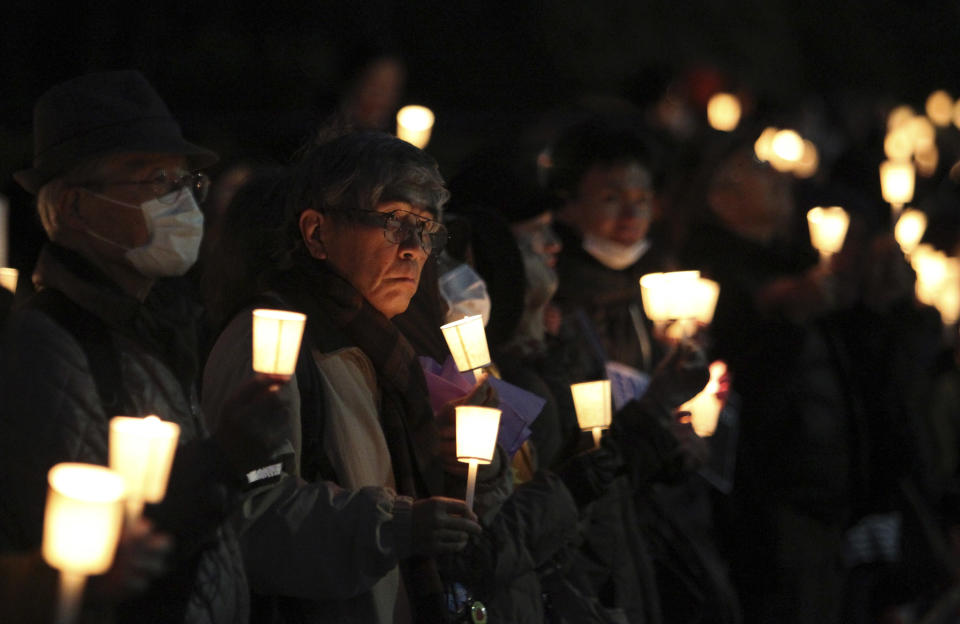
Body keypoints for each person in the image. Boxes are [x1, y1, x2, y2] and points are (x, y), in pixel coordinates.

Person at [0, 70, 286, 624]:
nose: (182, 199)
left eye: (187, 181)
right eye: (155, 180)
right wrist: (223, 458)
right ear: (76, 208)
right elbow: (91, 560)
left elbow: (231, 501)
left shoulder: (155, 330)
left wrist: (257, 466)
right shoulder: (50, 343)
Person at [201, 131, 494, 623]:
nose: (414, 251)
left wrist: (470, 466)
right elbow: (252, 509)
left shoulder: (387, 347)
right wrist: (394, 527)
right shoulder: (272, 341)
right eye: (396, 222)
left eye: (425, 230)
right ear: (316, 233)